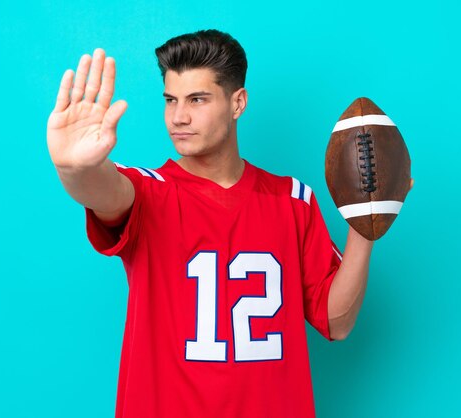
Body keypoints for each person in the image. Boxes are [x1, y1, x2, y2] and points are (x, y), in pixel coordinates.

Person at [47, 29, 375, 418]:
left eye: (197, 100)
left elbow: (335, 322)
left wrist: (364, 224)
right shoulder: (149, 193)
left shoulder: (292, 200)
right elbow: (102, 189)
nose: (178, 117)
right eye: (170, 100)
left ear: (238, 103)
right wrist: (74, 169)